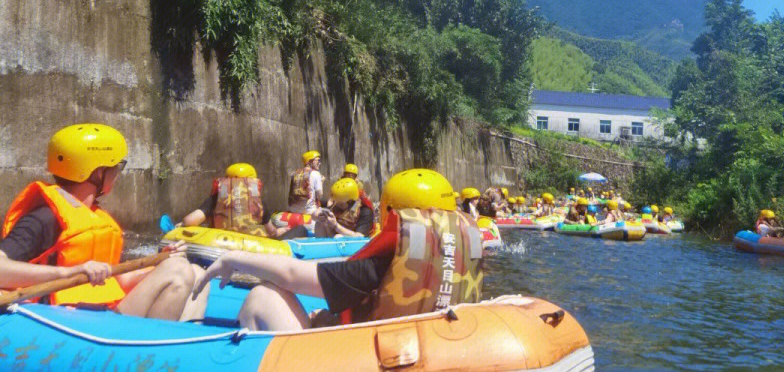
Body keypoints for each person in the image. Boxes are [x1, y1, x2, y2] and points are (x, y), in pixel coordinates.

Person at [194, 168, 483, 330]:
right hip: (419, 347)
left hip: (369, 356)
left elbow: (292, 273)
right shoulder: (466, 262)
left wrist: (234, 258)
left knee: (261, 296)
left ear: (392, 212)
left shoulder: (374, 269)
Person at [0, 124, 208, 320]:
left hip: (102, 311)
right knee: (178, 271)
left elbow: (118, 280)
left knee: (198, 274)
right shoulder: (44, 218)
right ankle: (149, 353)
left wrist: (159, 261)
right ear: (98, 173)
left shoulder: (93, 215)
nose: (117, 174)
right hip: (68, 320)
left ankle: (180, 349)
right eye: (115, 167)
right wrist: (68, 272)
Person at [180, 163, 293, 238]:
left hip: (220, 243)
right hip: (250, 247)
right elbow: (271, 232)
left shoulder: (216, 198)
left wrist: (182, 224)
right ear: (252, 181)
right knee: (300, 230)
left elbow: (190, 221)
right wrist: (278, 232)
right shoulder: (258, 202)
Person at [287, 150, 325, 215]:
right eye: (318, 160)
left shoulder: (294, 173)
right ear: (309, 161)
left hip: (293, 210)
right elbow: (320, 195)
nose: (320, 163)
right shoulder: (316, 173)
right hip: (309, 211)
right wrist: (322, 182)